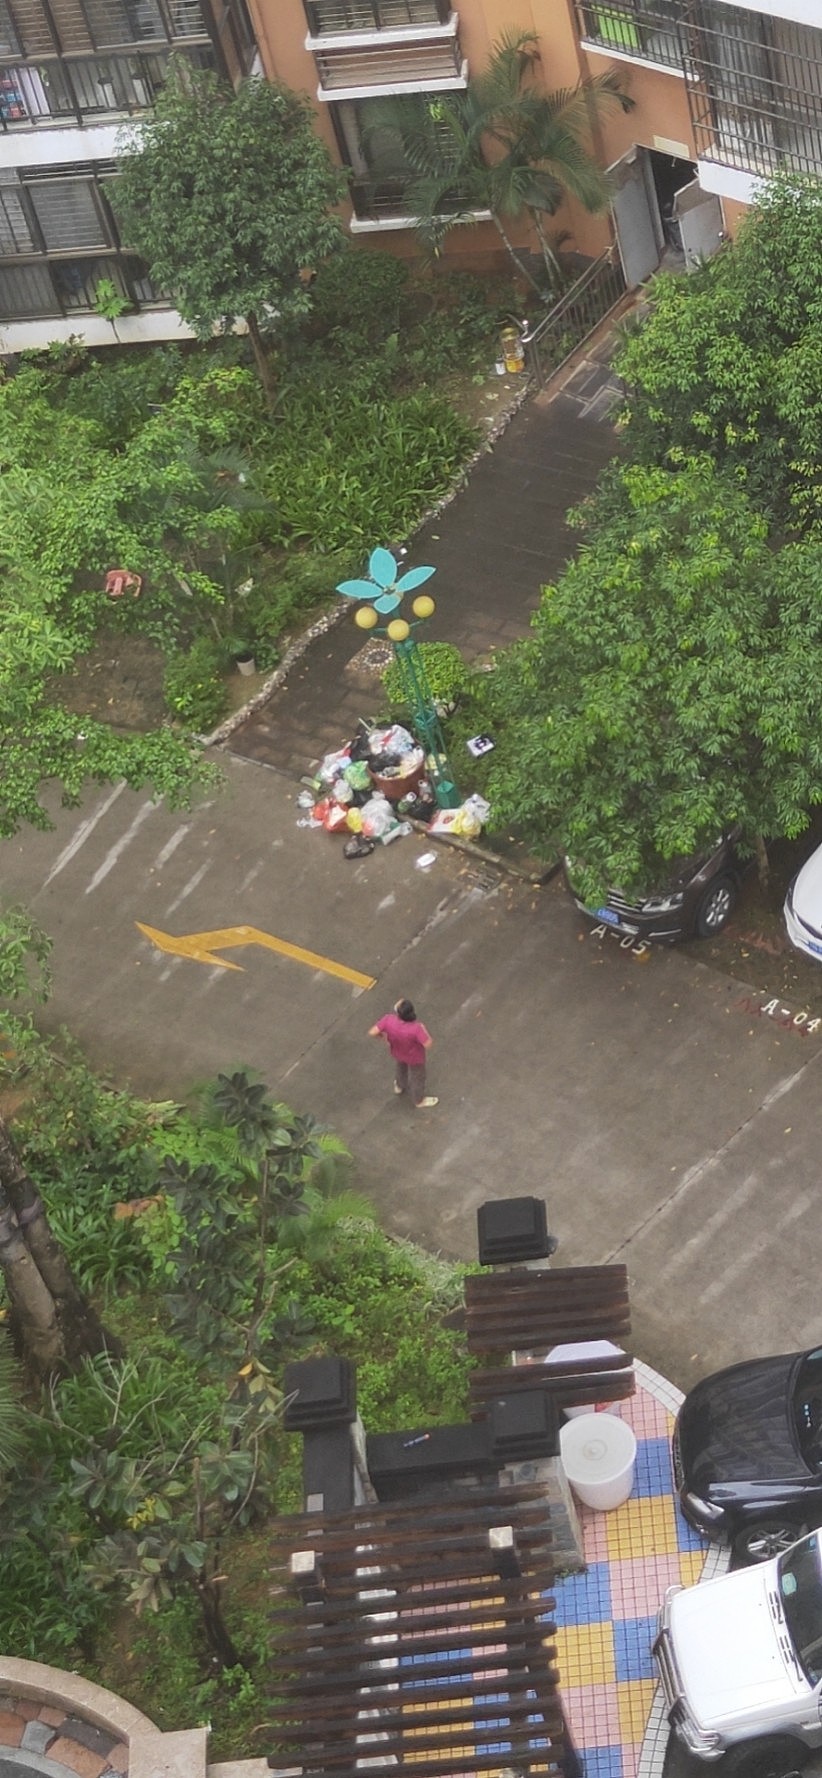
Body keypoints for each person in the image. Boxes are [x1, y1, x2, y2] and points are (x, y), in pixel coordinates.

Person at [368, 999, 438, 1109]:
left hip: (397, 1052)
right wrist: (424, 1029)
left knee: (400, 1068)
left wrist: (383, 1038)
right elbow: (428, 1044)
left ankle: (399, 1086)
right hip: (415, 1058)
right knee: (417, 1078)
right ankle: (418, 1100)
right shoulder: (416, 1028)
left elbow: (372, 1032)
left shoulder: (388, 1020)